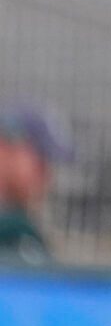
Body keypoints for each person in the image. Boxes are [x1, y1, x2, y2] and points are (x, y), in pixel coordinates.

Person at [0, 104, 69, 261]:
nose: (47, 175)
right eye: (40, 160)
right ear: (4, 148)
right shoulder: (14, 234)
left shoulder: (18, 231)